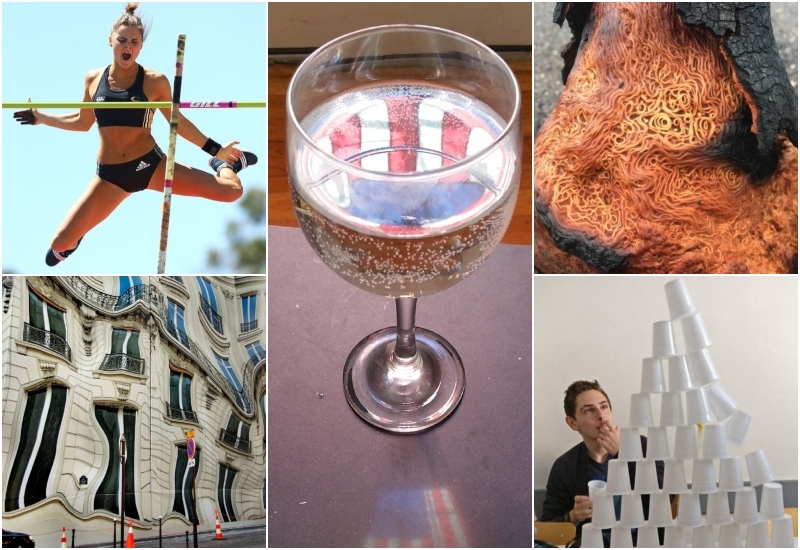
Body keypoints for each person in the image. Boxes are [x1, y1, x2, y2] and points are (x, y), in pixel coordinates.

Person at [13, 2, 257, 266]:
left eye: (134, 42)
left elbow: (179, 123)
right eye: (122, 40)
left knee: (232, 192)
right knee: (58, 246)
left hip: (150, 167)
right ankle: (74, 241)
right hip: (110, 178)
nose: (127, 46)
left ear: (140, 46)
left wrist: (216, 150)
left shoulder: (155, 81)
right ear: (110, 41)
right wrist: (40, 118)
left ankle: (226, 165)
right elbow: (82, 122)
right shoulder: (93, 79)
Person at [540, 380, 665, 547]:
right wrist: (573, 516)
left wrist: (623, 454)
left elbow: (664, 498)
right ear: (572, 423)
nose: (601, 415)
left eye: (604, 407)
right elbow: (548, 528)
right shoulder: (565, 466)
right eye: (589, 410)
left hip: (642, 540)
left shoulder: (643, 447)